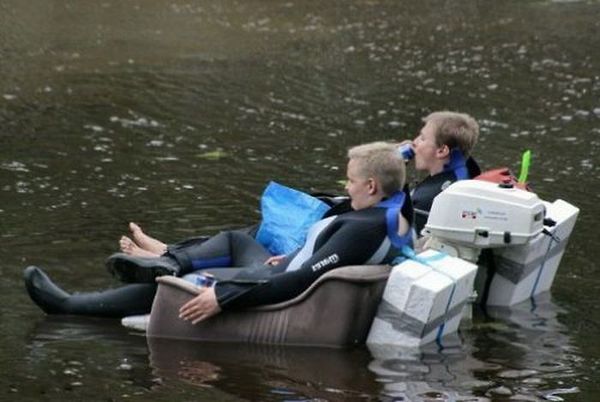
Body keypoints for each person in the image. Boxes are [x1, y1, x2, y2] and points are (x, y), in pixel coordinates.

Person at [24, 141, 413, 321]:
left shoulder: (362, 228)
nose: (346, 187)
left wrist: (223, 297)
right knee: (235, 240)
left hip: (268, 284)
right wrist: (291, 256)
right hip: (277, 267)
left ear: (372, 186)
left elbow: (299, 281)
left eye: (350, 181)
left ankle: (69, 306)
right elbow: (311, 261)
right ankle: (169, 260)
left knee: (176, 286)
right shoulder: (393, 210)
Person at [402, 111, 481, 237]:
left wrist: (390, 174)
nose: (413, 143)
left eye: (422, 138)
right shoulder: (467, 170)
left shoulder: (427, 200)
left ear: (442, 150)